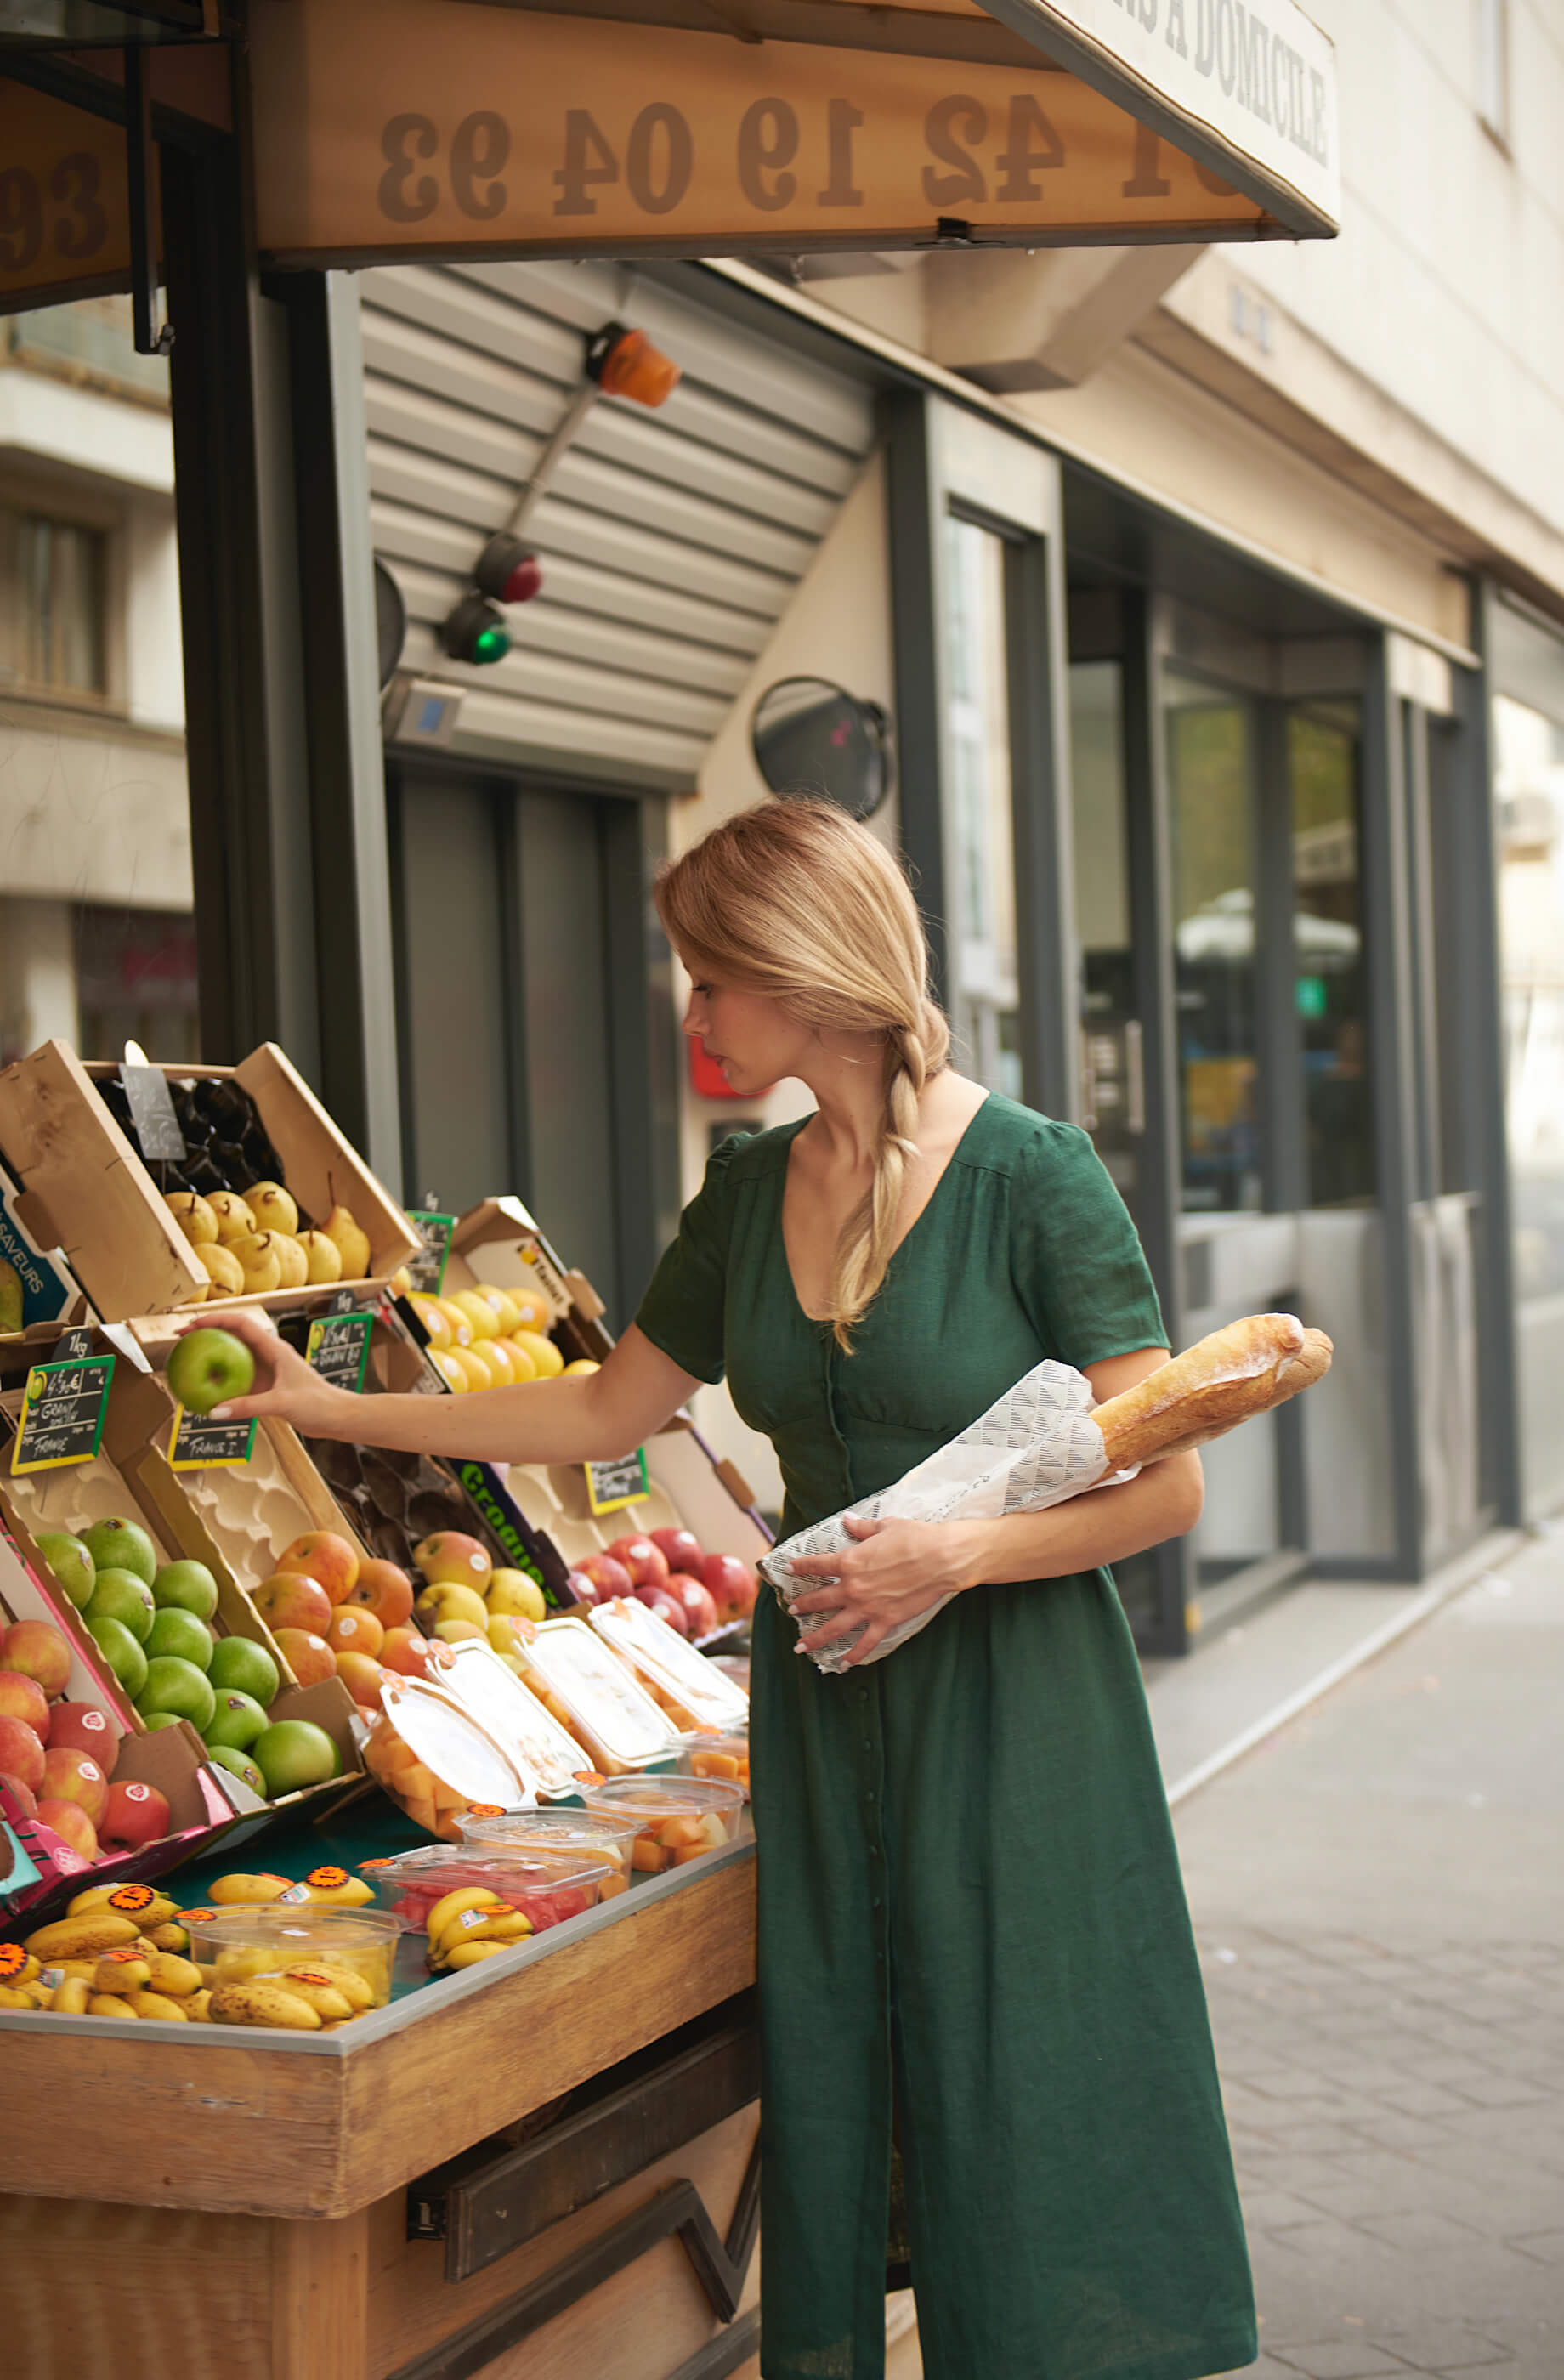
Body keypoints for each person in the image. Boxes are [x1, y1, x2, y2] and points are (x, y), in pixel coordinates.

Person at [208, 800, 1256, 2380]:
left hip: (1017, 1702)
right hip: (826, 1694)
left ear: (804, 973)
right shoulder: (746, 1187)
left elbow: (1164, 1476)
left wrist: (959, 1550)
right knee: (835, 2053)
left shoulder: (1033, 1178)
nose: (691, 1013)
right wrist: (331, 1408)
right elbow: (598, 1410)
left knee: (1022, 2062)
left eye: (709, 979)